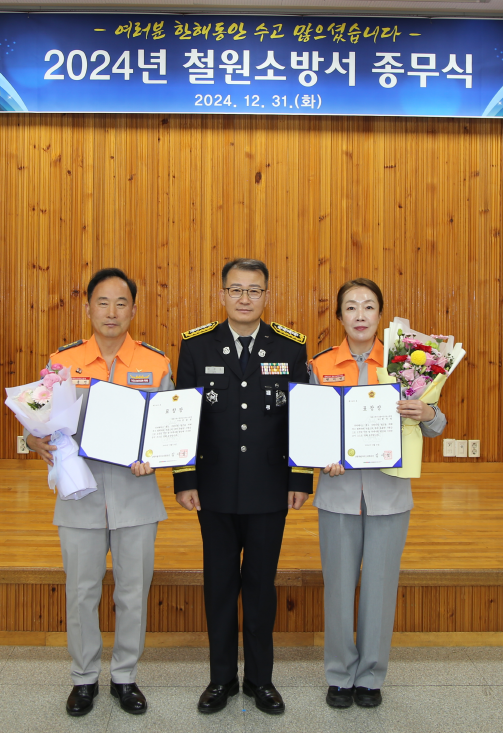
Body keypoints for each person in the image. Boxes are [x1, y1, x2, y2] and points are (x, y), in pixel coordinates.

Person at [26, 268, 173, 718]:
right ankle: (84, 678)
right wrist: (32, 439)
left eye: (121, 303)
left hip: (136, 494)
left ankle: (125, 676)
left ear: (134, 309)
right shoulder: (61, 362)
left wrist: (157, 455)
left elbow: (168, 428)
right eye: (103, 302)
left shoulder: (155, 363)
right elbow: (36, 419)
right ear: (87, 306)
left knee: (133, 592)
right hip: (80, 494)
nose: (112, 312)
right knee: (82, 591)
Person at [173, 258, 313, 715]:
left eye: (254, 290)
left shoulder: (290, 347)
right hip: (212, 489)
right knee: (219, 586)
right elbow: (184, 417)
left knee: (259, 586)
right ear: (222, 295)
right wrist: (184, 478)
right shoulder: (197, 345)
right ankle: (220, 679)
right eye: (236, 290)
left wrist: (300, 477)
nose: (245, 298)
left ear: (266, 296)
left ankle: (260, 679)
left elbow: (301, 419)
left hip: (269, 488)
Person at [307, 278, 447, 710]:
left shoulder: (407, 362)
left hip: (389, 493)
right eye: (351, 307)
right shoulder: (320, 365)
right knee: (338, 587)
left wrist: (427, 411)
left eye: (369, 306)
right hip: (338, 492)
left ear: (381, 316)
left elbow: (437, 425)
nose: (360, 315)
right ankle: (339, 675)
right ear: (339, 316)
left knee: (381, 587)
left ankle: (370, 676)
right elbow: (309, 426)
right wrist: (320, 456)